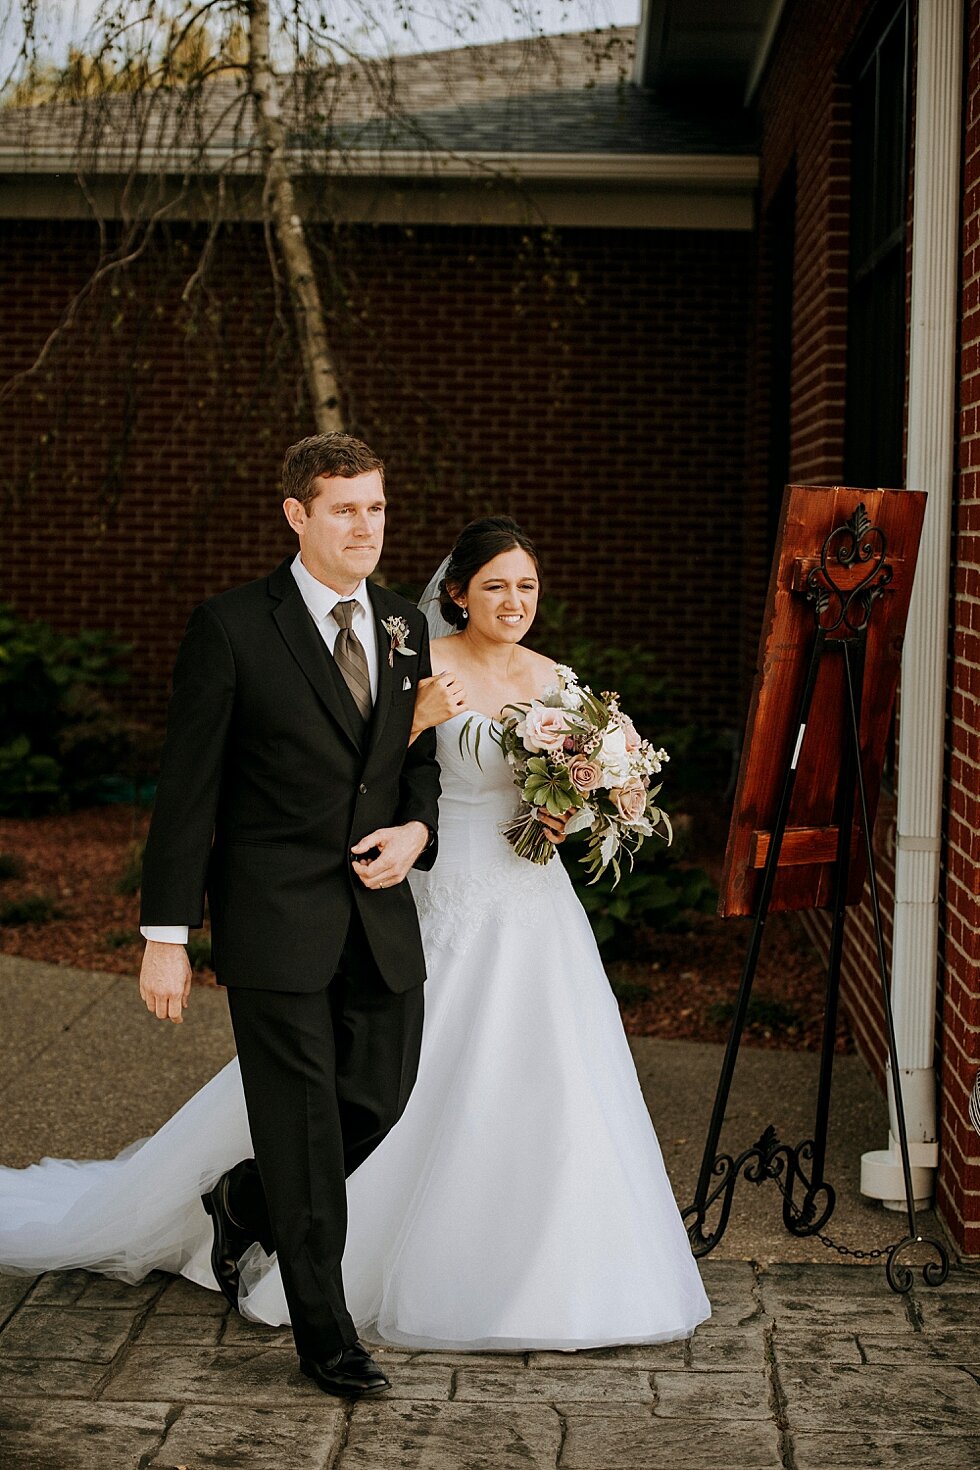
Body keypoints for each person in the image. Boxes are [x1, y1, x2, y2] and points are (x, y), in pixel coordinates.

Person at [0, 514, 710, 1360]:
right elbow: (363, 771)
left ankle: (538, 1264)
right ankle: (283, 1224)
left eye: (526, 586)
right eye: (496, 586)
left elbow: (557, 787)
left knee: (540, 1081)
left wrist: (570, 809)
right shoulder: (416, 660)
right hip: (428, 893)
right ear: (457, 594)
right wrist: (414, 728)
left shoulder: (559, 680)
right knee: (378, 1082)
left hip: (529, 902)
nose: (515, 601)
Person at [135, 430, 441, 1398]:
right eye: (344, 509)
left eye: (376, 508)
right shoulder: (230, 628)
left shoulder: (401, 626)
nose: (365, 527)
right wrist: (165, 937)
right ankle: (326, 1336)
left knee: (380, 1097)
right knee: (306, 1126)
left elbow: (413, 762)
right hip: (273, 921)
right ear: (296, 515)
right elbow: (186, 794)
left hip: (379, 916)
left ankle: (244, 1198)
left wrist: (415, 835)